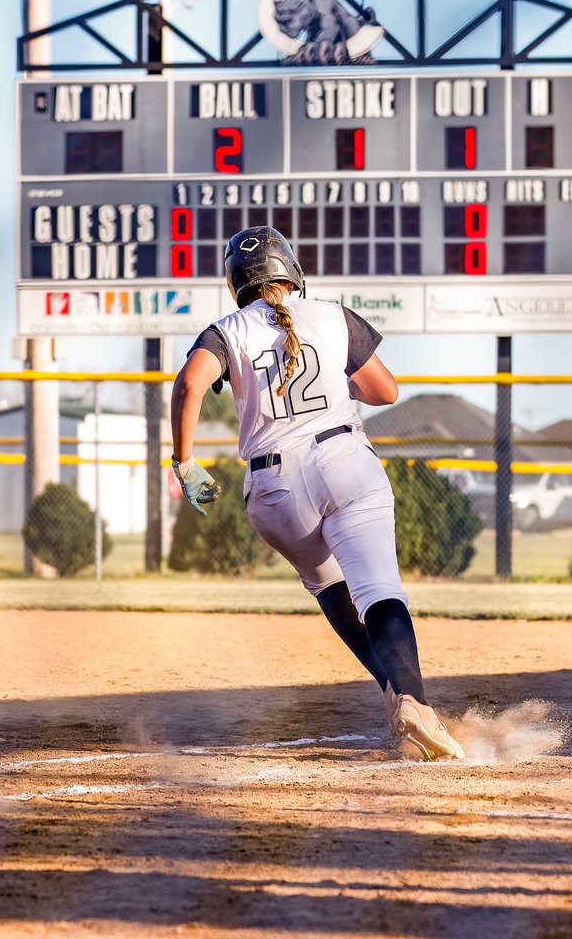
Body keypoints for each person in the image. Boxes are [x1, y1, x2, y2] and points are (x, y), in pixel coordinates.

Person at [170, 226, 464, 762]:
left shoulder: (225, 330)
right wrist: (337, 378)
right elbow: (385, 391)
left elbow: (190, 383)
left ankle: (393, 690)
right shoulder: (330, 315)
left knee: (329, 585)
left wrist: (184, 463)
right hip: (341, 461)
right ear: (291, 272)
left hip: (273, 490)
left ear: (237, 283)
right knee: (378, 589)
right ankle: (415, 702)